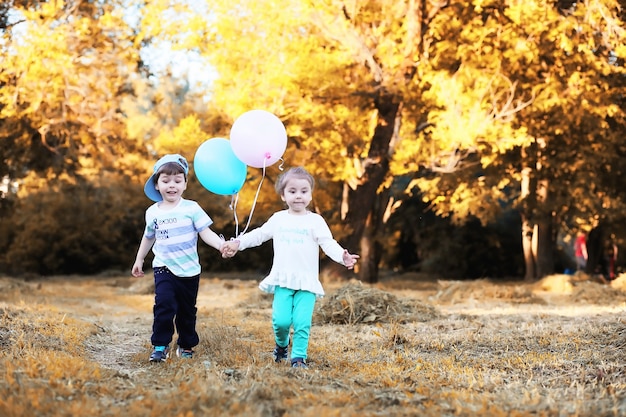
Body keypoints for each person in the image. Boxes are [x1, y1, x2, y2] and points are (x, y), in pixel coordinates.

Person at [221, 166, 359, 369]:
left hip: (306, 282)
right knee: (281, 322)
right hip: (283, 280)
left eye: (304, 191)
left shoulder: (315, 221)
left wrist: (342, 256)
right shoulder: (279, 219)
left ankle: (298, 358)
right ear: (283, 196)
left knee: (302, 322)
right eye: (292, 191)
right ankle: (281, 345)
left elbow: (328, 243)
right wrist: (237, 243)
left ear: (310, 195)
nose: (298, 196)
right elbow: (259, 235)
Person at [132, 154, 225, 363]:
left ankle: (186, 344)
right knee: (164, 305)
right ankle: (160, 345)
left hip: (189, 269)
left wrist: (221, 245)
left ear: (185, 184)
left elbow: (206, 233)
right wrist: (139, 260)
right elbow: (148, 238)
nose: (171, 185)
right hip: (163, 266)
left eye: (177, 181)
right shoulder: (152, 212)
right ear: (157, 185)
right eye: (165, 181)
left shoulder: (191, 208)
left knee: (186, 310)